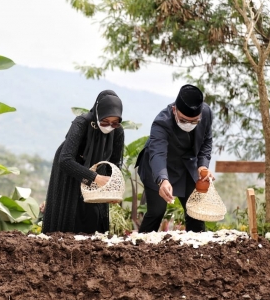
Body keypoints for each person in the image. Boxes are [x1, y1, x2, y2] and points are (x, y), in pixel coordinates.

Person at [42, 90, 124, 234]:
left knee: (93, 216)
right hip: (71, 170)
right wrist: (94, 178)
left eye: (114, 123)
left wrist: (111, 188)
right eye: (105, 121)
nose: (109, 126)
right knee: (71, 215)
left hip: (97, 173)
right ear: (98, 114)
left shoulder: (117, 131)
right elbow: (65, 159)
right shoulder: (82, 122)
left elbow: (115, 163)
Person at [135, 84, 214, 233]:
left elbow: (206, 142)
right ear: (174, 110)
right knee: (157, 211)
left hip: (187, 166)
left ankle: (196, 249)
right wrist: (162, 179)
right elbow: (157, 153)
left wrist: (203, 166)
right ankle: (140, 247)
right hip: (158, 166)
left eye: (194, 121)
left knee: (195, 211)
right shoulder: (161, 122)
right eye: (184, 120)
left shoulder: (207, 113)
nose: (189, 125)